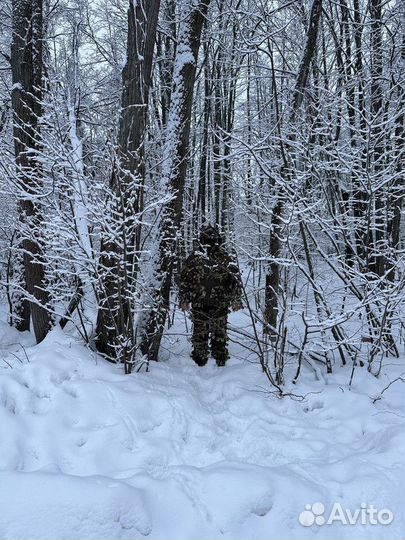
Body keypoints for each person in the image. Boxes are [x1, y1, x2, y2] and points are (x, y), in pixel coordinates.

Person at [179, 224, 243, 366]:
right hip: (199, 303)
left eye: (211, 237)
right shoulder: (195, 257)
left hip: (220, 303)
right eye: (206, 237)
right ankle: (199, 358)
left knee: (219, 333)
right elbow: (185, 279)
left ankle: (219, 358)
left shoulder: (225, 257)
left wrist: (236, 299)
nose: (209, 240)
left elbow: (235, 279)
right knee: (200, 332)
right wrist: (184, 299)